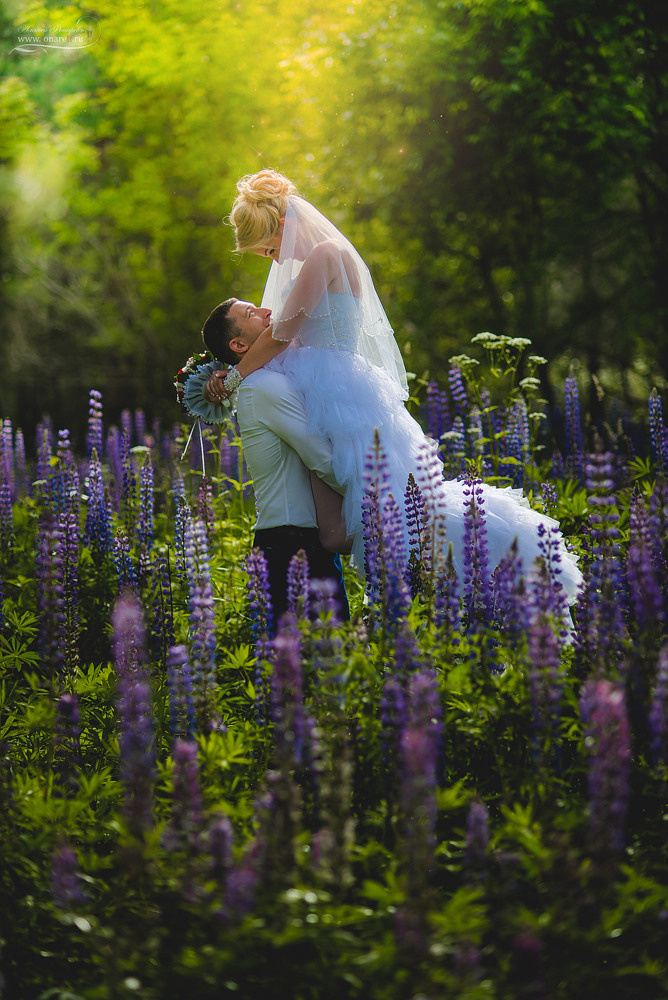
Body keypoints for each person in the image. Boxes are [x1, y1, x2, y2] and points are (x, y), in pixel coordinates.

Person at [204, 169, 582, 603]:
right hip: (316, 390)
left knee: (391, 517)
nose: (272, 260)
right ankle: (425, 594)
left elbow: (278, 335)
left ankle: (471, 579)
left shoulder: (325, 254)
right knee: (337, 532)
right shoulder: (313, 262)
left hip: (338, 394)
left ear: (283, 227)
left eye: (269, 248)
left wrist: (234, 377)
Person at [201, 297, 350, 630]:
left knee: (331, 669)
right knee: (314, 670)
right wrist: (373, 496)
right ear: (238, 344)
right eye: (250, 314)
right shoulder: (263, 387)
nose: (268, 311)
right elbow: (324, 461)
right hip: (290, 544)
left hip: (304, 540)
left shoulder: (268, 379)